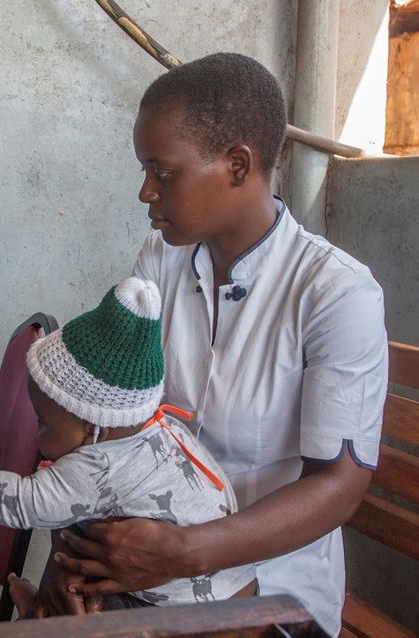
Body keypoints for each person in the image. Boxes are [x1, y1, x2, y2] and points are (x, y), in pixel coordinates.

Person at [27, 53, 387, 635]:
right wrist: (74, 558)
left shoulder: (335, 293)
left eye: (161, 171)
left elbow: (339, 485)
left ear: (238, 165)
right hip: (147, 566)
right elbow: (112, 426)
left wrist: (183, 552)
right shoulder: (160, 262)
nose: (145, 191)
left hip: (270, 581)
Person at [0, 277, 256, 615]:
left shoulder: (100, 466)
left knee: (86, 605)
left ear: (94, 427)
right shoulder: (162, 430)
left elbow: (23, 502)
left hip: (189, 613)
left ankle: (37, 622)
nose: (36, 438)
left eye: (43, 425)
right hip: (234, 583)